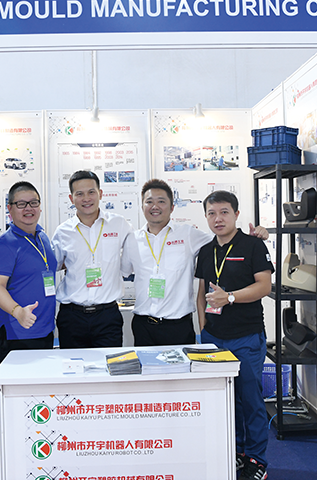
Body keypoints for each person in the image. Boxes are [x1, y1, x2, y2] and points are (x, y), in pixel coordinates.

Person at [121, 179, 268, 347]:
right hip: (143, 325)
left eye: (161, 201)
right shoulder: (132, 240)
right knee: (146, 365)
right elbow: (125, 271)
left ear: (172, 207)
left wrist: (253, 236)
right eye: (149, 202)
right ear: (142, 207)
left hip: (178, 326)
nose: (155, 206)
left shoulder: (188, 234)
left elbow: (224, 238)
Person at [194, 190, 274, 480]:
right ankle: (237, 452)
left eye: (224, 212)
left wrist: (230, 298)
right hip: (213, 338)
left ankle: (257, 459)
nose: (218, 219)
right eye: (212, 213)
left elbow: (264, 286)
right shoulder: (206, 251)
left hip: (246, 337)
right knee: (226, 401)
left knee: (250, 400)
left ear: (236, 214)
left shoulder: (253, 245)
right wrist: (203, 328)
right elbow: (201, 293)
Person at [51, 170, 132, 348]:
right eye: (79, 194)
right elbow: (53, 265)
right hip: (72, 316)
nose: (86, 198)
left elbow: (135, 252)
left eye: (91, 192)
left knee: (109, 363)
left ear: (100, 194)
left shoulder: (119, 224)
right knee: (73, 364)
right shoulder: (63, 232)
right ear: (71, 198)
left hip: (107, 316)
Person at [0, 181, 57, 367]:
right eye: (21, 204)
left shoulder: (42, 237)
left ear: (40, 207)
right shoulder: (4, 245)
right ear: (9, 208)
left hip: (44, 330)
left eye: (33, 203)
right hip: (15, 334)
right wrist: (18, 311)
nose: (28, 208)